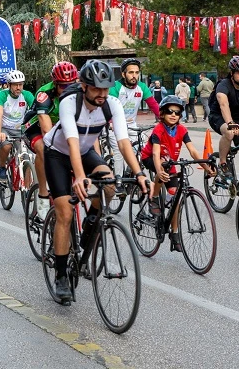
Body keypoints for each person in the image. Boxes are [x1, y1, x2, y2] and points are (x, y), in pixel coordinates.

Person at [42, 60, 148, 303]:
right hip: (58, 154)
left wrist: (139, 173)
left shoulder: (112, 104)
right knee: (66, 212)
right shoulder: (71, 103)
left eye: (105, 88)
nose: (102, 94)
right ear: (83, 86)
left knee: (108, 185)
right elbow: (70, 141)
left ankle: (90, 229)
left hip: (86, 151)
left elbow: (123, 143)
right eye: (96, 89)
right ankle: (60, 276)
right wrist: (79, 177)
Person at [138, 95, 208, 251]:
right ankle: (154, 199)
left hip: (169, 162)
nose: (173, 115)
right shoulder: (159, 129)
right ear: (162, 113)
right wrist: (159, 170)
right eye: (169, 111)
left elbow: (193, 151)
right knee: (161, 167)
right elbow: (155, 154)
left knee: (175, 194)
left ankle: (174, 233)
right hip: (150, 158)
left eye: (177, 112)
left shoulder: (182, 130)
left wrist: (206, 166)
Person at [23, 61, 78, 218]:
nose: (67, 90)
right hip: (36, 127)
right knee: (43, 148)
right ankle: (42, 193)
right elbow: (47, 132)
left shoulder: (80, 91)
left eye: (71, 86)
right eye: (63, 86)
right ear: (54, 83)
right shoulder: (44, 94)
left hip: (62, 125)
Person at [0, 70, 35, 183]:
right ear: (9, 85)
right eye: (15, 84)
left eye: (20, 84)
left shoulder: (27, 95)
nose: (18, 87)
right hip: (4, 128)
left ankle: (28, 192)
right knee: (6, 147)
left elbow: (36, 112)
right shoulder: (1, 95)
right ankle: (2, 167)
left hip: (20, 129)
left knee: (26, 157)